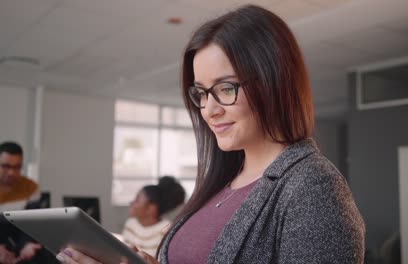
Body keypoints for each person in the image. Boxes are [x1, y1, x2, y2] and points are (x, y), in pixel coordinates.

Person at [56, 4, 365, 264]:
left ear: (274, 83)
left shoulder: (312, 185)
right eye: (202, 93)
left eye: (226, 88)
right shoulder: (220, 183)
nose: (208, 109)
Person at [120, 176, 185, 256]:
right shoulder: (130, 224)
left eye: (137, 199)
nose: (131, 202)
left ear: (151, 208)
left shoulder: (167, 230)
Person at [0, 141, 42, 264]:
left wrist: (27, 244)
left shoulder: (31, 187)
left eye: (17, 167)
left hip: (18, 243)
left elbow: (32, 224)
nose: (12, 172)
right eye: (6, 166)